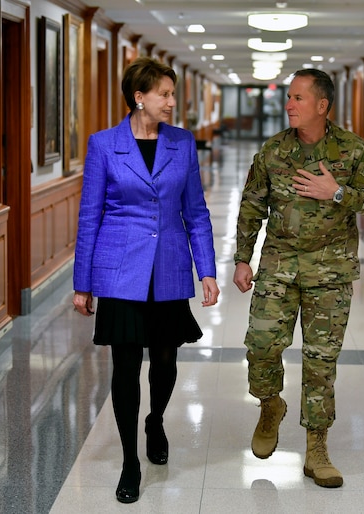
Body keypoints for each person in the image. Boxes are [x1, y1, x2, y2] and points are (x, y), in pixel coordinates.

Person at [232, 69, 364, 488]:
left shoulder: (353, 152)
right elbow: (252, 206)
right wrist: (242, 259)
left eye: (298, 98)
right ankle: (270, 405)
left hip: (330, 270)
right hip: (279, 266)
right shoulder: (272, 152)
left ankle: (317, 447)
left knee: (321, 363)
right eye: (289, 97)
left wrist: (337, 192)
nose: (289, 104)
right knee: (262, 346)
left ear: (322, 106)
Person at [72, 56, 220, 504]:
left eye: (172, 94)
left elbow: (195, 212)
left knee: (165, 362)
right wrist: (83, 283)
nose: (173, 102)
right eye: (165, 94)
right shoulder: (104, 145)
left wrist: (207, 269)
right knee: (124, 367)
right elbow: (89, 216)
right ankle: (130, 461)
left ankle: (155, 419)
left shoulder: (182, 143)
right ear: (140, 98)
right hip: (120, 271)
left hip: (170, 267)